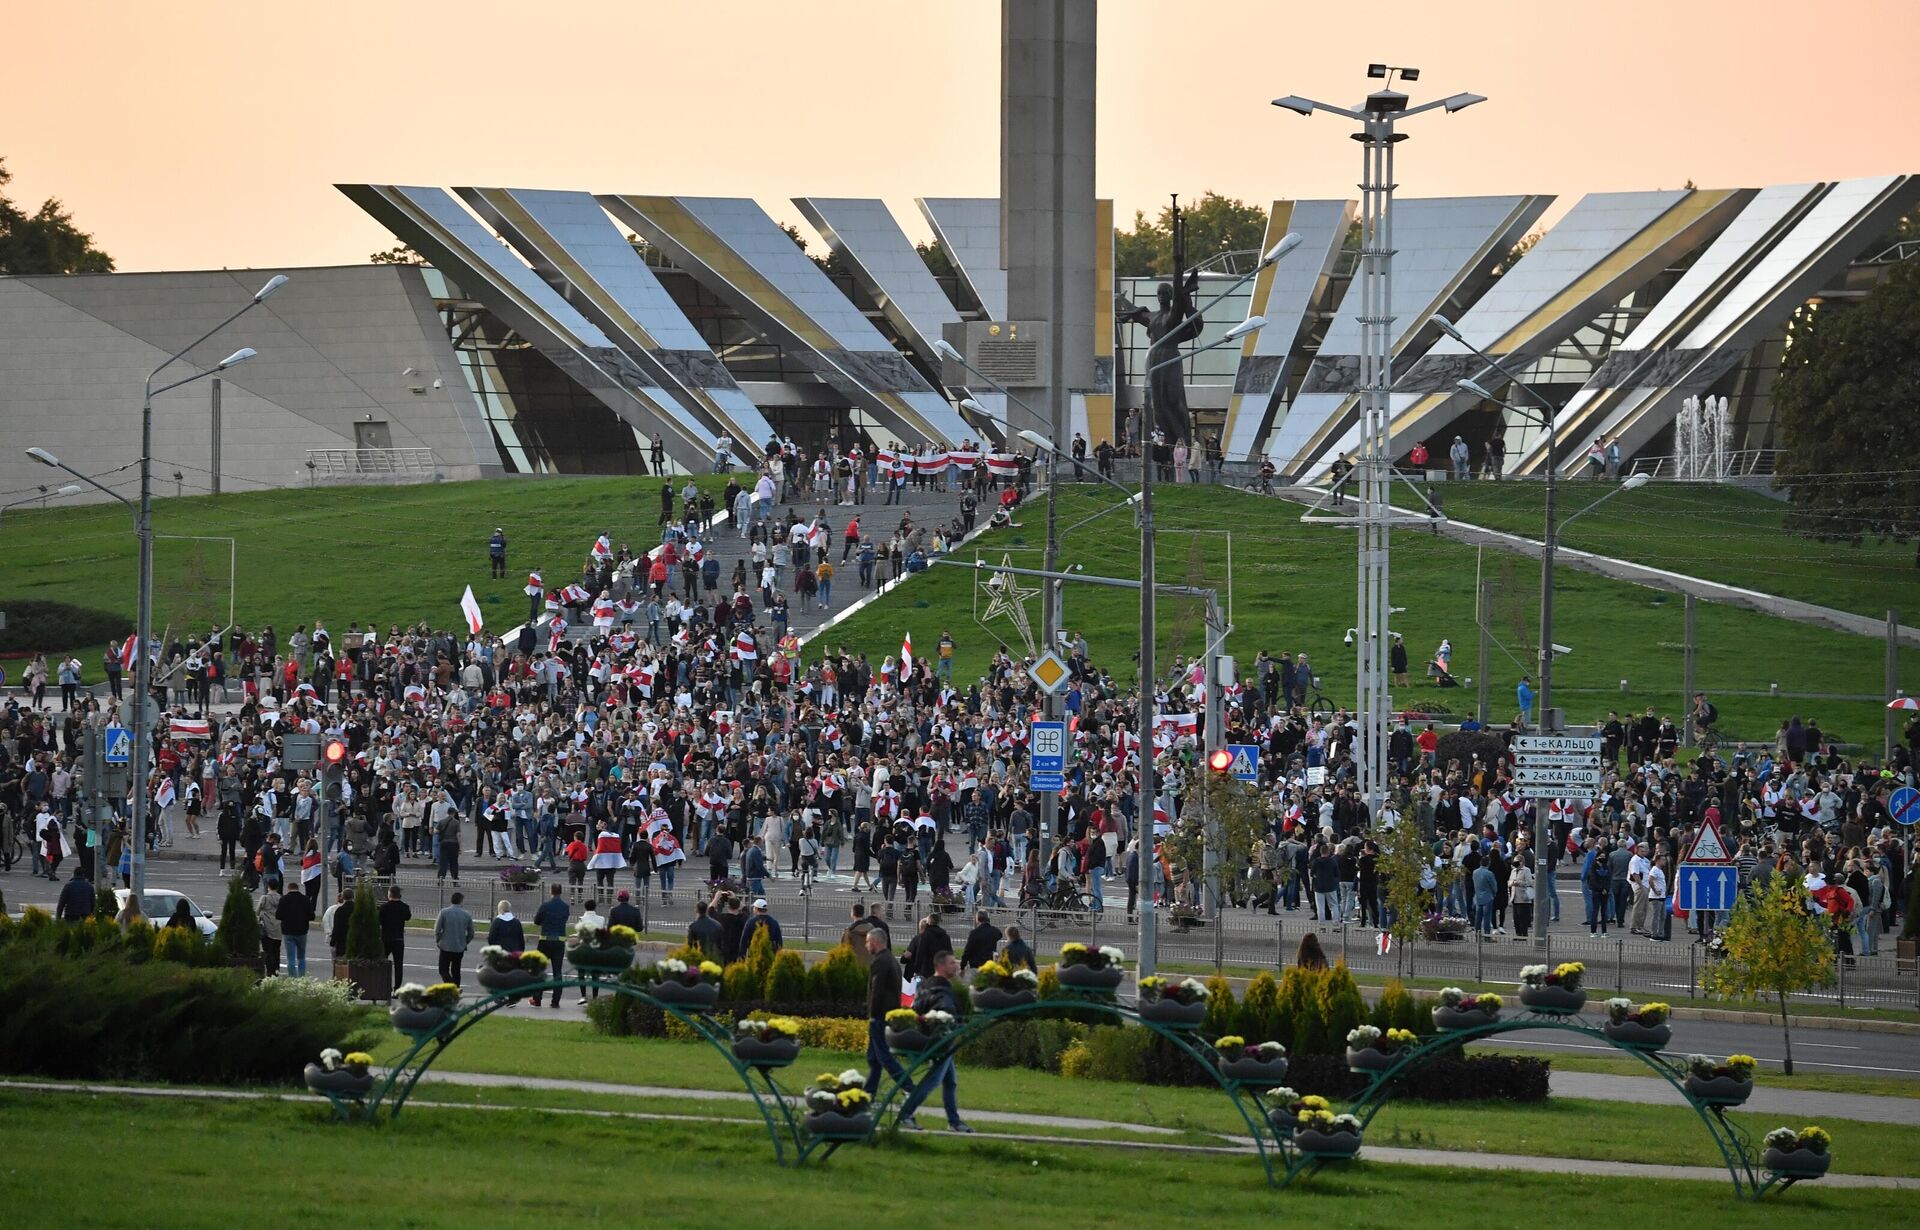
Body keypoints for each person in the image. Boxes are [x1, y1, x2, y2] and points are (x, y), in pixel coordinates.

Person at [895, 949, 973, 1133]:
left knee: (950, 1081)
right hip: (940, 1041)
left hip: (935, 1040)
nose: (955, 966)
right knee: (933, 1080)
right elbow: (945, 1012)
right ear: (940, 966)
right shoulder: (941, 991)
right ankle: (906, 1114)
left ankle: (954, 1121)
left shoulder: (928, 985)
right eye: (952, 963)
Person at [863, 928, 910, 1095]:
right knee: (874, 1058)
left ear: (875, 942)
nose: (866, 945)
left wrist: (872, 1015)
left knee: (884, 1056)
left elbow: (877, 990)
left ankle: (909, 1087)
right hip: (887, 1013)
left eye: (868, 942)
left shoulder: (880, 961)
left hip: (880, 1015)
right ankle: (869, 1093)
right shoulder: (890, 959)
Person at [531, 884, 570, 1008]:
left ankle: (537, 999)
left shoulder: (545, 906)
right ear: (561, 892)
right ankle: (555, 1001)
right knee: (557, 972)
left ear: (551, 891)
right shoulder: (565, 907)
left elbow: (536, 921)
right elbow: (564, 920)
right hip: (559, 941)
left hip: (545, 941)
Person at [435, 892, 475, 987]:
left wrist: (438, 940)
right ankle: (456, 987)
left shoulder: (444, 912)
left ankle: (451, 986)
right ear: (461, 901)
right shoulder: (466, 915)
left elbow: (437, 929)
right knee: (456, 970)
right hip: (459, 947)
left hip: (445, 946)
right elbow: (471, 933)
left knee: (443, 969)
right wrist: (465, 942)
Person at [276, 882, 314, 976]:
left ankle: (292, 978)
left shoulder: (284, 899)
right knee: (301, 957)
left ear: (288, 889)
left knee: (290, 958)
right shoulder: (305, 899)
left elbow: (278, 915)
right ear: (298, 888)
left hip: (288, 931)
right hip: (302, 931)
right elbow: (312, 916)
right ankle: (302, 977)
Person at [378, 886, 412, 988]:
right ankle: (397, 988)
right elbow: (408, 917)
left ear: (389, 894)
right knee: (398, 965)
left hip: (386, 938)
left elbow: (379, 921)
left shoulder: (384, 907)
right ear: (399, 895)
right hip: (399, 939)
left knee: (382, 962)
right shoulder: (404, 907)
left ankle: (383, 985)